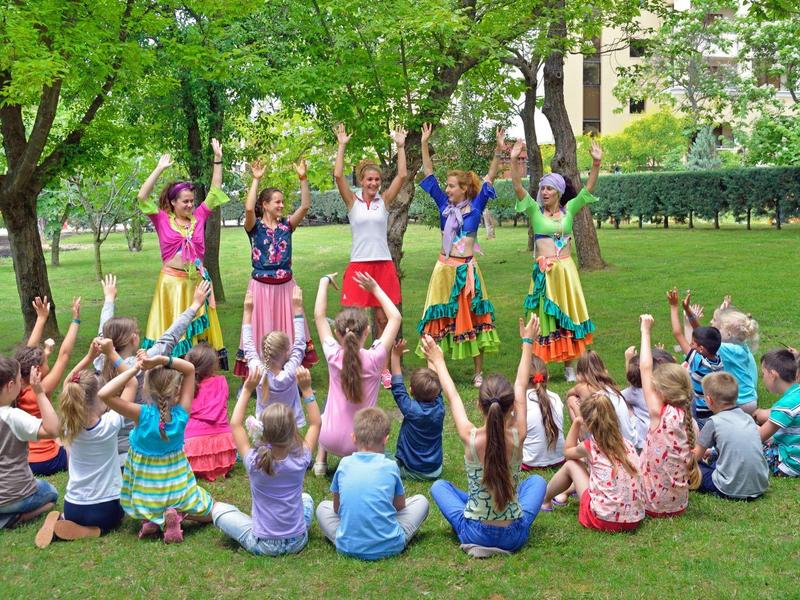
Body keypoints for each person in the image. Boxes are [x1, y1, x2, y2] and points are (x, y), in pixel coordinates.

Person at [424, 316, 549, 554]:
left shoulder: (470, 437)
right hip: (513, 536)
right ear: (511, 407)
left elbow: (453, 396)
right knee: (537, 482)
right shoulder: (518, 434)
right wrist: (527, 342)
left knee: (440, 486)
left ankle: (478, 514)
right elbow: (520, 385)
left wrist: (438, 361)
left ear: (479, 406)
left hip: (475, 532)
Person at [415, 123, 503, 387]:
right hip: (444, 269)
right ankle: (433, 371)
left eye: (452, 186)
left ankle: (478, 373)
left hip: (468, 271)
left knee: (475, 318)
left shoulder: (475, 208)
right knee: (436, 317)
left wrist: (498, 151)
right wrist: (424, 143)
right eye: (447, 186)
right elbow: (429, 174)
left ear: (464, 188)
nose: (447, 189)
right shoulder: (443, 206)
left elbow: (490, 177)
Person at [509, 139, 603, 381]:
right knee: (543, 317)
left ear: (559, 192)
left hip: (566, 272)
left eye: (549, 189)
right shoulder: (534, 210)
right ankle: (540, 367)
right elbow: (517, 186)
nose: (544, 193)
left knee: (567, 315)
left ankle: (570, 367)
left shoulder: (569, 209)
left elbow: (588, 191)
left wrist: (596, 163)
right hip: (545, 273)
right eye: (543, 189)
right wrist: (513, 160)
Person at [97, 352, 214, 543]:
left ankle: (153, 519)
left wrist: (135, 369)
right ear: (177, 390)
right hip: (177, 491)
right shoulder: (182, 413)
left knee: (150, 501)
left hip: (146, 495)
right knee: (211, 510)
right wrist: (161, 359)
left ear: (146, 387)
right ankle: (174, 516)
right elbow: (190, 369)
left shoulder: (140, 414)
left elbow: (104, 394)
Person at [95, 278, 213, 467]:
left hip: (108, 448)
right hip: (136, 449)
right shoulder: (143, 363)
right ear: (133, 338)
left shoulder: (101, 360)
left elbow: (102, 334)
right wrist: (194, 305)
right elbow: (171, 336)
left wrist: (109, 299)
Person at [136, 140, 230, 368]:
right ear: (173, 202)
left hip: (195, 283)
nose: (190, 205)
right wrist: (159, 169)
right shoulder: (161, 219)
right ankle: (170, 368)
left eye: (191, 201)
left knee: (193, 329)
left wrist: (217, 159)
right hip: (171, 285)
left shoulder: (199, 217)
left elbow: (215, 191)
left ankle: (195, 369)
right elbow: (142, 197)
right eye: (185, 201)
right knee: (173, 328)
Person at [212, 365, 321, 556]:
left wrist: (247, 389)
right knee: (306, 498)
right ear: (293, 431)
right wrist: (306, 389)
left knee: (219, 510)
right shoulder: (302, 457)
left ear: (262, 431)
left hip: (263, 544)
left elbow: (235, 424)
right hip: (297, 540)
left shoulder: (254, 461)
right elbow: (315, 423)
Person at [332, 123, 407, 388]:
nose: (373, 183)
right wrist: (342, 145)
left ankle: (382, 369)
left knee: (383, 319)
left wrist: (400, 146)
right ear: (362, 181)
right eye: (369, 180)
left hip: (382, 265)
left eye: (377, 180)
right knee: (351, 320)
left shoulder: (383, 201)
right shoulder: (352, 202)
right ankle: (350, 365)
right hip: (359, 265)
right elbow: (338, 175)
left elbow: (402, 175)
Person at [35, 340, 127, 548]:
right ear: (100, 398)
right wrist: (112, 353)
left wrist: (89, 357)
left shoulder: (68, 426)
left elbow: (69, 383)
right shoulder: (111, 423)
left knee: (76, 513)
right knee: (117, 518)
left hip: (74, 507)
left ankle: (64, 519)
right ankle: (93, 531)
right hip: (108, 509)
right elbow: (131, 383)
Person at [312, 272, 401, 477]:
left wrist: (324, 281)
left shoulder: (333, 355)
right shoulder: (376, 357)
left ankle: (320, 461)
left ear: (337, 333)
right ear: (367, 331)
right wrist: (375, 288)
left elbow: (319, 316)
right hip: (362, 444)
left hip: (329, 438)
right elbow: (395, 317)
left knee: (327, 410)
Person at [233, 157, 316, 376]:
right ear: (265, 205)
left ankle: (290, 374)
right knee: (262, 328)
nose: (281, 205)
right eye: (277, 202)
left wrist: (303, 178)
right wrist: (255, 179)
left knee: (289, 328)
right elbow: (249, 208)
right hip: (261, 287)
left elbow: (305, 206)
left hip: (286, 287)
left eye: (282, 202)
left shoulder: (287, 226)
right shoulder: (254, 227)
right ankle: (258, 373)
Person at [316, 407, 430, 560]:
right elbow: (400, 506)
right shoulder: (391, 466)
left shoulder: (344, 464)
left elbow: (337, 508)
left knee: (323, 508)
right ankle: (386, 535)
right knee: (421, 501)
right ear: (386, 439)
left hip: (348, 546)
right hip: (390, 545)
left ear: (353, 437)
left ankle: (348, 536)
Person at [541, 393, 644, 532]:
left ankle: (545, 501)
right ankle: (563, 494)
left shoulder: (591, 446)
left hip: (603, 520)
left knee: (571, 465)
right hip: (633, 520)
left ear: (588, 422)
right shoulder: (628, 444)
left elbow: (568, 452)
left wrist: (577, 422)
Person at [638, 314, 700, 517]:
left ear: (663, 392)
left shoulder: (659, 414)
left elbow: (645, 368)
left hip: (651, 505)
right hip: (679, 505)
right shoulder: (688, 419)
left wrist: (645, 331)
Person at [15, 296, 81, 475]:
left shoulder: (16, 388)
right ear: (37, 369)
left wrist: (41, 318)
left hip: (26, 461)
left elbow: (28, 354)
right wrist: (75, 320)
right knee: (71, 440)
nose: (47, 361)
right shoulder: (43, 388)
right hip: (50, 460)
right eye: (45, 361)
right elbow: (64, 354)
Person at [0, 359, 59, 530]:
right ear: (10, 385)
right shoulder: (12, 417)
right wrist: (39, 392)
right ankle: (17, 517)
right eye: (20, 380)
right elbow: (53, 429)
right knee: (51, 493)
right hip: (14, 496)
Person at [240, 287, 308, 429]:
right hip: (291, 426)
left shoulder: (259, 373)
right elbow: (300, 343)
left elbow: (248, 346)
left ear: (264, 351)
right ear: (286, 352)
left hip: (266, 428)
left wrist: (247, 312)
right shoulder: (290, 373)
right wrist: (297, 309)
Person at [694, 372, 768, 498]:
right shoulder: (748, 418)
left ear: (709, 400)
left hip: (729, 487)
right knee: (716, 458)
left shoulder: (713, 422)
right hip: (759, 485)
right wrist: (712, 452)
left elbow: (695, 457)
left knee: (694, 468)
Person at [685, 294, 760, 414]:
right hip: (750, 398)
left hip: (737, 401)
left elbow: (704, 337)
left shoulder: (727, 349)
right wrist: (723, 310)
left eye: (720, 328)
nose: (716, 329)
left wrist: (689, 314)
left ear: (729, 335)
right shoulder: (741, 347)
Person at [388, 339, 445, 480]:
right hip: (436, 469)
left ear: (411, 391)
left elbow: (398, 386)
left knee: (381, 455)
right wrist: (432, 358)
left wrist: (395, 355)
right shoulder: (440, 406)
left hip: (413, 469)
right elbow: (435, 381)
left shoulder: (411, 409)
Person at [667, 288, 723, 429]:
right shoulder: (717, 358)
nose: (690, 345)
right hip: (715, 408)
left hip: (701, 413)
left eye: (693, 343)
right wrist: (687, 310)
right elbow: (700, 332)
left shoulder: (699, 362)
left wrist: (674, 306)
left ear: (701, 349)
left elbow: (677, 334)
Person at [184, 343, 236, 481]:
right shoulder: (221, 382)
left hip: (192, 455)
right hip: (224, 455)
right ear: (214, 364)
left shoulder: (185, 385)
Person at [565, 350, 638, 446]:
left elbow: (568, 394)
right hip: (631, 439)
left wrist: (580, 398)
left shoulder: (582, 387)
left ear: (580, 374)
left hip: (616, 444)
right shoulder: (609, 385)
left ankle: (583, 440)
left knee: (571, 400)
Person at [754, 349, 800, 477]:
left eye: (763, 374)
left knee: (744, 447)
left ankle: (712, 455)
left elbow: (758, 438)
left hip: (790, 463)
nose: (762, 379)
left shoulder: (785, 405)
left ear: (773, 375)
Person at [622, 345, 677, 452]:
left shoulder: (634, 392)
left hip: (645, 439)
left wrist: (628, 360)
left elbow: (620, 394)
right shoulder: (657, 389)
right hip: (663, 434)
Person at [522, 355, 565, 470]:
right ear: (547, 377)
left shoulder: (520, 402)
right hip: (560, 458)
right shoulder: (555, 397)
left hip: (530, 462)